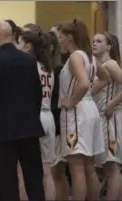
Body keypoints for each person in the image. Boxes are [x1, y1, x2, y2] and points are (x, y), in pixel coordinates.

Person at [0, 20, 45, 201]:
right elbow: (37, 93)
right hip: (29, 127)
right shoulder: (28, 60)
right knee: (34, 176)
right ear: (12, 36)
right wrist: (32, 117)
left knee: (8, 178)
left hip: (3, 129)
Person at [58, 19, 104, 200]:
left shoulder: (76, 56)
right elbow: (105, 76)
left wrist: (72, 100)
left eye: (61, 37)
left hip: (77, 113)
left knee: (76, 168)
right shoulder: (90, 57)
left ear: (69, 37)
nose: (59, 41)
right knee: (89, 167)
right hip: (89, 108)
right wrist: (89, 93)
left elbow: (84, 83)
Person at [16, 31, 56, 200]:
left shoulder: (26, 65)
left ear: (28, 45)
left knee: (23, 172)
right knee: (47, 172)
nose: (16, 47)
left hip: (32, 118)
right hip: (48, 117)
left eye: (19, 42)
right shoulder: (48, 67)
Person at [91, 32, 122, 200]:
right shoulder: (99, 65)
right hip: (103, 119)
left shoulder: (110, 64)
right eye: (93, 41)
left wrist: (113, 103)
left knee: (112, 166)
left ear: (109, 46)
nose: (94, 43)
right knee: (108, 166)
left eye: (99, 41)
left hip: (112, 119)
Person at [49, 26, 71, 200]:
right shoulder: (52, 65)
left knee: (57, 173)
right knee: (55, 173)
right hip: (56, 120)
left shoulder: (60, 66)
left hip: (57, 120)